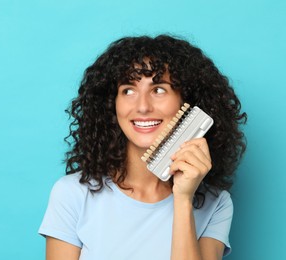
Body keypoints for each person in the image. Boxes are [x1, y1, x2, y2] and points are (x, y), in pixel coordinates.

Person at [39, 34, 247, 260]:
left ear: (186, 103)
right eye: (128, 90)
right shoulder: (73, 194)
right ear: (112, 104)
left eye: (158, 89)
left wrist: (183, 199)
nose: (143, 106)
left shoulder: (216, 204)